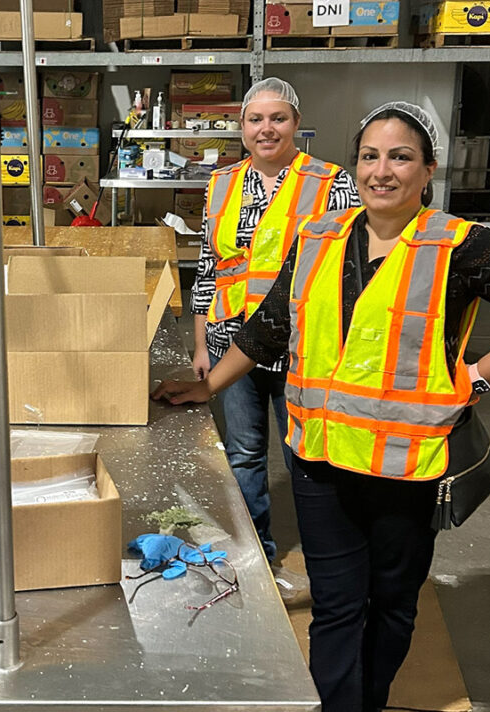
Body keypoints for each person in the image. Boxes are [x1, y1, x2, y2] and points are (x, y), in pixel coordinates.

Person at [154, 102, 490, 711]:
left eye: (401, 157)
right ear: (355, 165)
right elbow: (269, 328)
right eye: (370, 156)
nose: (382, 171)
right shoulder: (319, 238)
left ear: (428, 169)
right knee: (334, 608)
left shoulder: (459, 245)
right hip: (319, 461)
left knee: (392, 605)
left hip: (405, 468)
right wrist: (209, 385)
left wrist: (475, 379)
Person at [190, 77, 359, 565]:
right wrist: (202, 345)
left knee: (305, 458)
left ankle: (327, 556)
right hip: (231, 343)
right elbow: (208, 267)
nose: (267, 129)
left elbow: (347, 273)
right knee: (243, 454)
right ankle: (256, 553)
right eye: (256, 119)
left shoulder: (331, 183)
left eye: (278, 118)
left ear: (296, 124)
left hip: (299, 349)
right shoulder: (220, 184)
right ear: (242, 126)